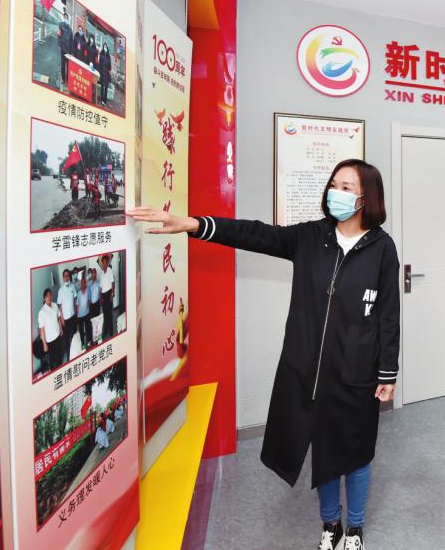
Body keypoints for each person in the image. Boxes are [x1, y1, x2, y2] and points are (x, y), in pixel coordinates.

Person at [127, 158, 400, 550]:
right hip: (306, 373)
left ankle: (354, 528)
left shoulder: (382, 248)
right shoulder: (311, 237)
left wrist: (387, 372)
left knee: (355, 455)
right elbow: (256, 234)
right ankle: (331, 525)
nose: (335, 193)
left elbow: (389, 314)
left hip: (356, 374)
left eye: (346, 187)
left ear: (366, 197)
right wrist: (193, 224)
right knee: (323, 454)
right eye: (334, 185)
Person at [37, 289, 62, 374]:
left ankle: (60, 372)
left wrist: (60, 328)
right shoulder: (42, 312)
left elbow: (58, 317)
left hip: (57, 336)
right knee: (52, 360)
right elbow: (42, 330)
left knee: (59, 356)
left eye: (50, 295)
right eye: (47, 296)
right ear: (44, 298)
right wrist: (44, 344)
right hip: (50, 340)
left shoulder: (54, 305)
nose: (49, 297)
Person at [56, 269, 77, 363]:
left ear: (69, 276)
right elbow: (59, 306)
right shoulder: (60, 291)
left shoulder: (73, 287)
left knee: (74, 337)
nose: (67, 277)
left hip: (73, 317)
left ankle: (75, 355)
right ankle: (69, 358)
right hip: (65, 319)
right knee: (67, 340)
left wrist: (75, 312)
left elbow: (74, 300)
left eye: (68, 275)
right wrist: (62, 319)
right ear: (63, 277)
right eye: (65, 275)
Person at [97, 255, 116, 341]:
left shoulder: (110, 270)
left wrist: (112, 294)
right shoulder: (101, 274)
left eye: (105, 263)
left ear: (107, 263)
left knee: (109, 314)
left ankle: (111, 332)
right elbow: (101, 287)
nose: (104, 264)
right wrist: (100, 297)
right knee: (105, 314)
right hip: (103, 296)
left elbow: (113, 283)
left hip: (109, 294)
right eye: (103, 263)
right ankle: (105, 330)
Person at [76, 275, 92, 350]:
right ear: (80, 283)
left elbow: (89, 301)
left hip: (87, 313)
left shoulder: (88, 291)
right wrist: (77, 315)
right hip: (80, 315)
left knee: (88, 328)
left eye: (84, 282)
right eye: (81, 282)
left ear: (85, 283)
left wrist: (89, 309)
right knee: (81, 330)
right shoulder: (78, 293)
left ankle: (89, 341)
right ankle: (82, 343)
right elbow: (77, 305)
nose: (82, 284)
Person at [58, 10, 73, 86]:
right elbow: (59, 35)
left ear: (68, 19)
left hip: (68, 50)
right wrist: (59, 45)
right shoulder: (61, 25)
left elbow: (71, 41)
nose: (66, 19)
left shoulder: (70, 30)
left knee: (68, 66)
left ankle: (68, 80)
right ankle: (63, 79)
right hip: (63, 48)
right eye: (65, 17)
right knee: (63, 65)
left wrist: (71, 52)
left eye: (67, 18)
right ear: (63, 18)